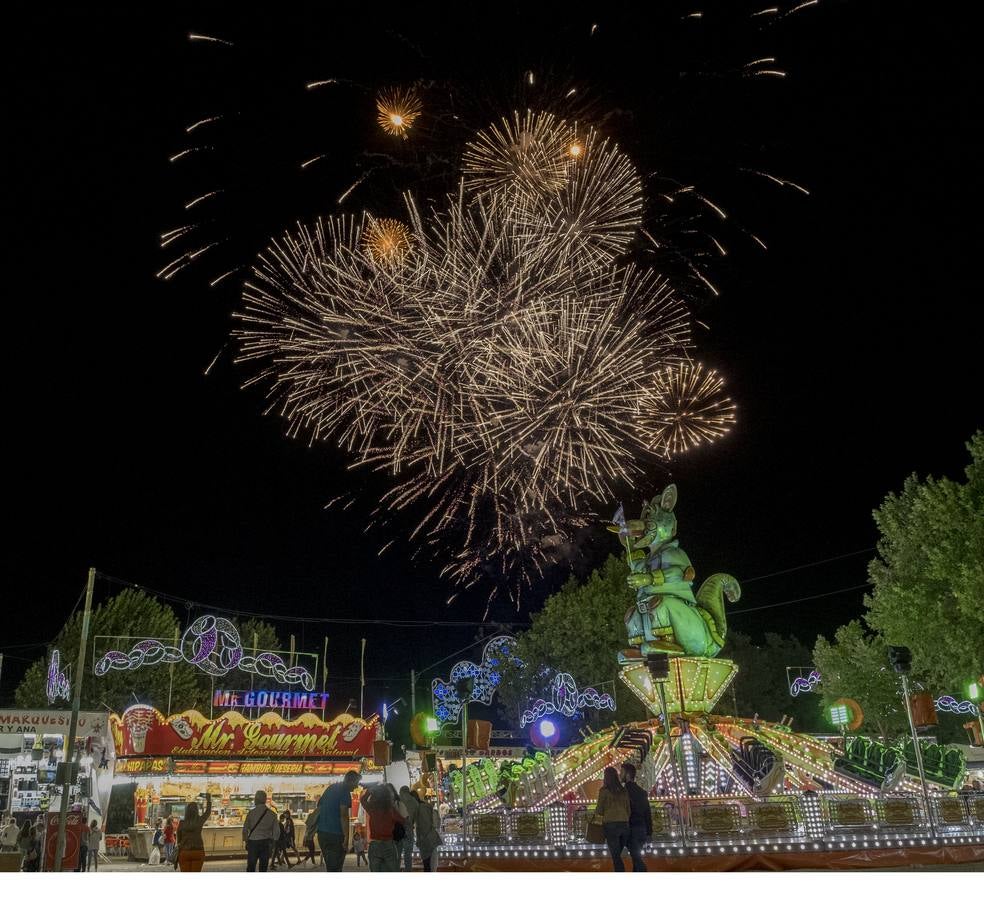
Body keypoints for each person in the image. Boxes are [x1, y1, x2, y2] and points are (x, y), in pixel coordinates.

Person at [316, 770, 361, 872]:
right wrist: (346, 839)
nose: (356, 787)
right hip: (335, 835)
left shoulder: (331, 788)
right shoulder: (344, 792)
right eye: (356, 783)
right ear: (351, 781)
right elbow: (344, 815)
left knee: (330, 867)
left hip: (322, 834)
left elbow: (319, 806)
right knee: (335, 868)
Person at [361, 783, 405, 872]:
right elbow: (402, 821)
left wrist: (369, 791)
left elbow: (363, 800)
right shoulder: (390, 810)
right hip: (388, 844)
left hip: (375, 844)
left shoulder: (372, 808)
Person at [595, 766, 631, 872]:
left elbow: (599, 809)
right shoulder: (624, 790)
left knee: (615, 855)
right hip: (624, 824)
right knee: (617, 854)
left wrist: (598, 820)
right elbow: (628, 808)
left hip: (610, 825)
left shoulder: (604, 791)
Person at [620, 763, 651, 872]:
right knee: (636, 858)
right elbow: (648, 813)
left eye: (622, 772)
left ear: (627, 774)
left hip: (631, 829)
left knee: (637, 859)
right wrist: (649, 833)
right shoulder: (642, 792)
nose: (620, 775)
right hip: (642, 829)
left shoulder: (623, 792)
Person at [242, 790, 281, 872]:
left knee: (251, 867)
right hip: (266, 843)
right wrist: (273, 843)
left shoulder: (251, 813)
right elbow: (277, 832)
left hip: (253, 843)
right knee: (263, 867)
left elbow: (245, 829)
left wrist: (246, 841)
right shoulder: (272, 814)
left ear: (256, 800)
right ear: (265, 800)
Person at [176, 793, 212, 872]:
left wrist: (181, 844)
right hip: (198, 851)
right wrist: (209, 800)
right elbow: (208, 812)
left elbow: (178, 838)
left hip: (184, 851)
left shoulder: (182, 823)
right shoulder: (199, 821)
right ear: (196, 811)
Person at [414, 791, 442, 872]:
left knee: (429, 864)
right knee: (431, 864)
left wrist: (421, 839)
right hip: (430, 839)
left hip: (427, 840)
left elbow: (424, 826)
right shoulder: (424, 807)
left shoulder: (420, 808)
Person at [398, 786, 419, 871]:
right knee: (408, 854)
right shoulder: (414, 802)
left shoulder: (398, 800)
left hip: (398, 830)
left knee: (397, 853)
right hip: (409, 829)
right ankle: (408, 870)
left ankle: (396, 870)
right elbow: (417, 817)